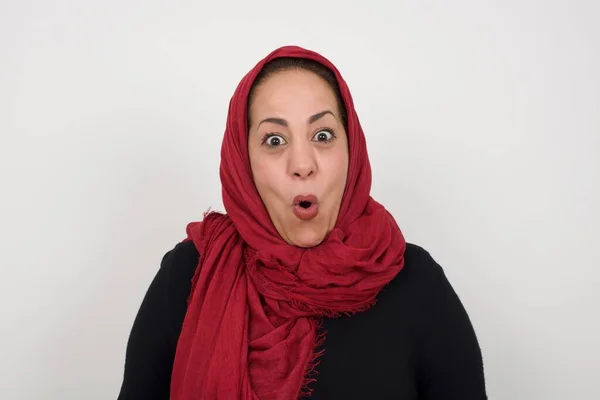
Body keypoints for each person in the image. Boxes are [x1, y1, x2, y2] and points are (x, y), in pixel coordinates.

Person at [117, 45, 488, 400]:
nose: (302, 163)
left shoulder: (416, 282)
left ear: (351, 149)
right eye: (274, 139)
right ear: (243, 163)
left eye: (322, 135)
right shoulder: (190, 273)